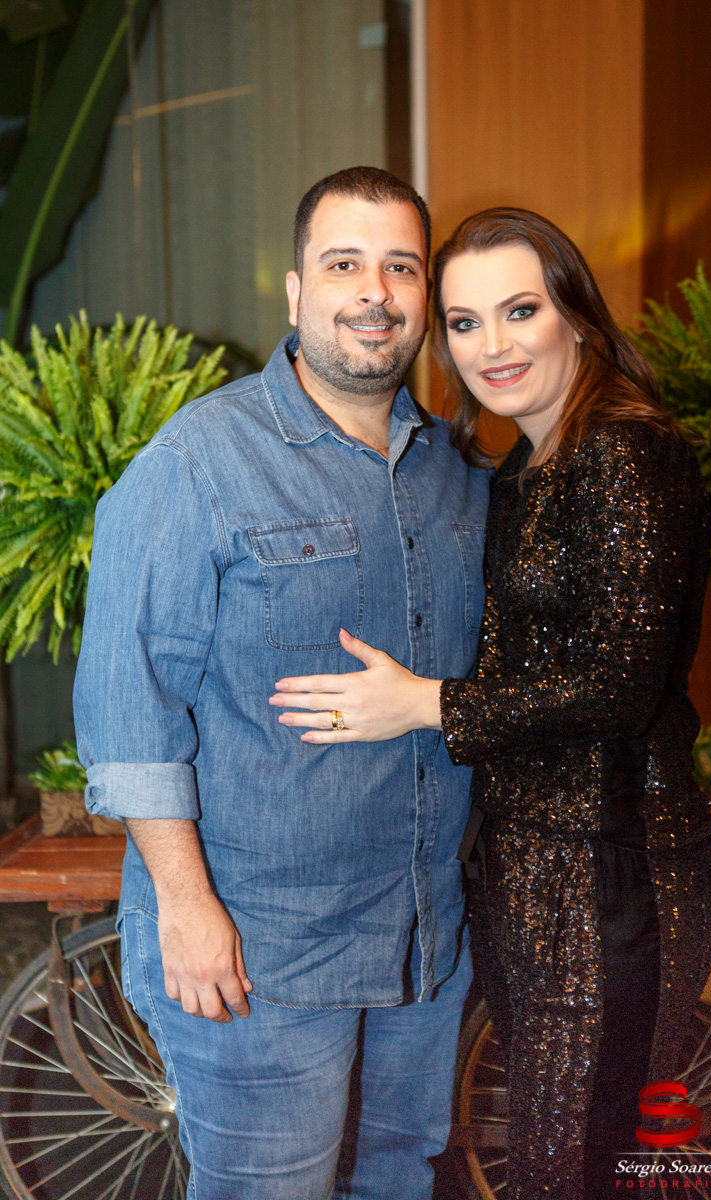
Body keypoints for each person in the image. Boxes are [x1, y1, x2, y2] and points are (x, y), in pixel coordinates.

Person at [268, 207, 711, 1200]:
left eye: (519, 311)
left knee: (570, 1171)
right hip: (526, 870)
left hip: (612, 872)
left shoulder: (625, 450)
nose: (492, 347)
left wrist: (423, 704)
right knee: (552, 1163)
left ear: (576, 315)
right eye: (465, 322)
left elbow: (618, 685)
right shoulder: (523, 463)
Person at [73, 167, 490, 1200]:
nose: (374, 293)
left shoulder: (457, 474)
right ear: (297, 291)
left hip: (423, 943)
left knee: (399, 1179)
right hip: (261, 952)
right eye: (343, 264)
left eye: (400, 267)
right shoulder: (197, 463)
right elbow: (129, 709)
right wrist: (185, 907)